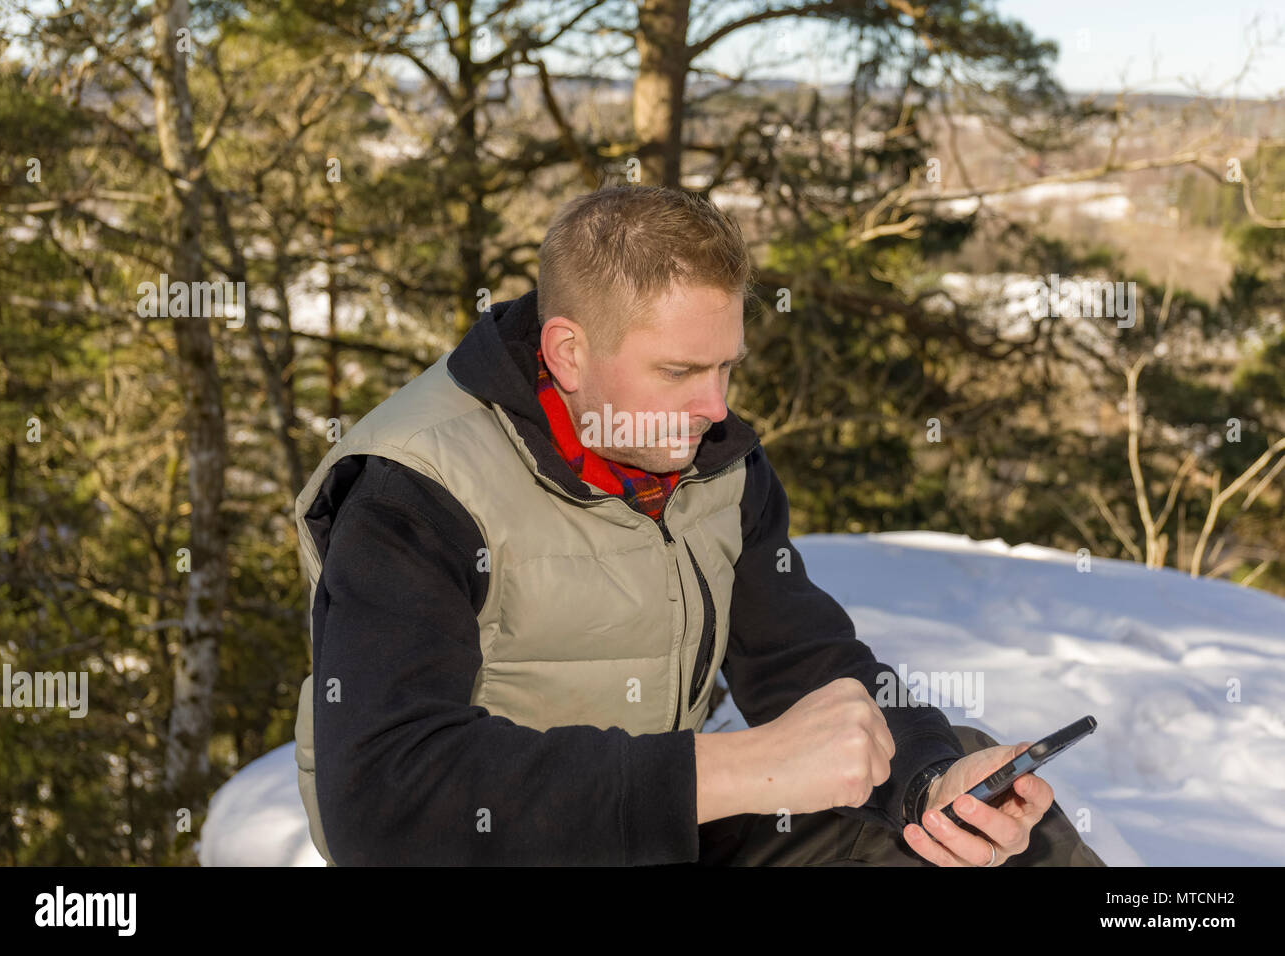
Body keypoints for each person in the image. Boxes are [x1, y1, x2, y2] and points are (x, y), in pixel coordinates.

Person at [290, 184, 1107, 867]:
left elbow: (800, 659)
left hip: (657, 830)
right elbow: (384, 796)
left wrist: (931, 782)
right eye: (680, 371)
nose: (715, 407)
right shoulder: (415, 490)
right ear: (568, 353)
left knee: (964, 819)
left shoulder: (717, 462)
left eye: (725, 368)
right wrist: (725, 770)